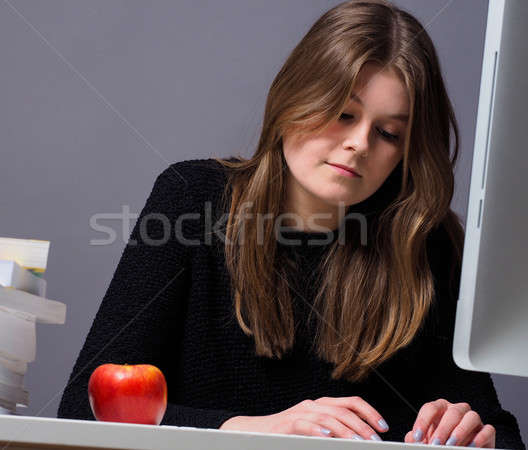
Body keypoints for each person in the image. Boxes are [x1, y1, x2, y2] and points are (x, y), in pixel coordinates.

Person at [57, 0, 525, 448]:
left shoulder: (424, 242)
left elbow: (500, 432)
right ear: (293, 101)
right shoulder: (191, 198)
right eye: (343, 114)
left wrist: (475, 433)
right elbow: (83, 410)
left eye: (388, 134)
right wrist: (251, 429)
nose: (359, 143)